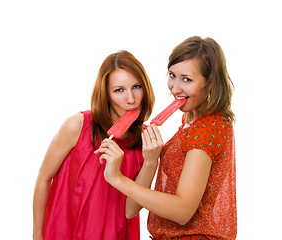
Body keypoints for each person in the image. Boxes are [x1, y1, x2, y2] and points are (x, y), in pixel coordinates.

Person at [97, 36, 237, 239]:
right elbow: (130, 211)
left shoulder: (206, 129)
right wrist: (150, 161)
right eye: (172, 75)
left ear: (210, 83)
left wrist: (116, 178)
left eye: (187, 79)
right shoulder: (191, 122)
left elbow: (182, 211)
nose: (175, 88)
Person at [33, 50, 156, 240]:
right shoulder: (77, 125)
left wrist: (150, 162)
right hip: (66, 232)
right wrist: (37, 236)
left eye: (137, 86)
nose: (131, 99)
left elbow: (131, 211)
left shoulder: (147, 142)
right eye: (119, 90)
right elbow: (43, 178)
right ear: (106, 94)